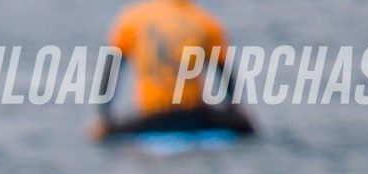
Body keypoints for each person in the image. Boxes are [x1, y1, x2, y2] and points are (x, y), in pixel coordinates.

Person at [93, 0, 256, 140]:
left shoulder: (131, 19)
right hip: (194, 117)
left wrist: (104, 118)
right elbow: (225, 75)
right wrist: (234, 111)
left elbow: (111, 72)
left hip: (152, 118)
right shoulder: (205, 21)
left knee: (104, 135)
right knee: (246, 127)